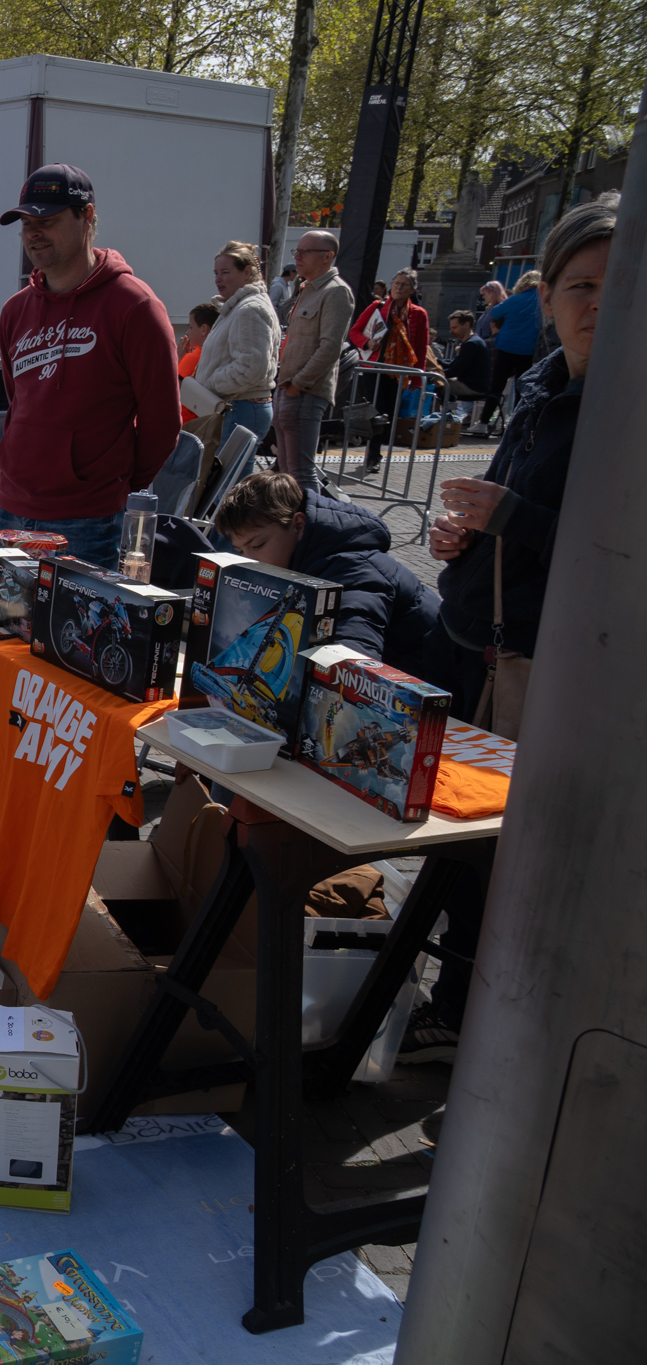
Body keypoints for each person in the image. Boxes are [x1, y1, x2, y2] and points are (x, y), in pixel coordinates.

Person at [413, 194, 614, 1061]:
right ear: (549, 293)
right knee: (456, 848)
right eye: (581, 285)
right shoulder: (542, 383)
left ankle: (475, 1025)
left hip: (543, 665)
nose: (599, 302)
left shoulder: (625, 404)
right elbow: (504, 508)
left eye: (620, 283)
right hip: (476, 640)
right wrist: (459, 536)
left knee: (505, 860)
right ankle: (448, 1007)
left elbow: (614, 553)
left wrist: (511, 519)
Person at [0, 164, 179, 568]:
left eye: (47, 221)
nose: (33, 233)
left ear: (87, 216)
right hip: (11, 507)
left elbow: (163, 422)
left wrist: (109, 483)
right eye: (26, 224)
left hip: (87, 520)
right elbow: (18, 400)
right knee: (4, 610)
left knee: (71, 614)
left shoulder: (136, 307)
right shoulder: (15, 310)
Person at [213, 471, 439, 674]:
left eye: (258, 545)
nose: (250, 560)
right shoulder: (294, 563)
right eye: (240, 551)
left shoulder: (353, 569)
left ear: (298, 525)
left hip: (433, 678)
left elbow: (353, 659)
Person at [270, 229, 354, 487]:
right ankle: (294, 513)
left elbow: (330, 348)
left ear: (328, 256)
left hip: (304, 393)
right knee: (287, 471)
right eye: (297, 251)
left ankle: (309, 513)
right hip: (289, 389)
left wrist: (298, 385)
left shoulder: (336, 292)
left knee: (301, 474)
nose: (297, 257)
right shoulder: (308, 288)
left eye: (305, 252)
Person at [195, 240, 281, 453]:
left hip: (241, 407)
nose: (218, 279)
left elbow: (252, 366)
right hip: (240, 406)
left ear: (247, 272)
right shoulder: (240, 306)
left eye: (225, 272)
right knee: (227, 473)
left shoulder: (250, 309)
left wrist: (211, 382)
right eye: (216, 273)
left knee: (230, 474)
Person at [348, 267, 430, 472]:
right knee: (376, 411)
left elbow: (421, 347)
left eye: (404, 285)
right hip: (374, 367)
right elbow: (354, 332)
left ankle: (377, 452)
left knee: (390, 414)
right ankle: (373, 455)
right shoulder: (378, 307)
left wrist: (417, 378)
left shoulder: (418, 314)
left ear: (412, 289)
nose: (399, 288)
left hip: (399, 371)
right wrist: (367, 343)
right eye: (396, 283)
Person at [479, 271, 542, 431]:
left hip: (507, 346)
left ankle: (483, 422)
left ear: (523, 283)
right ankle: (516, 425)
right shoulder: (542, 301)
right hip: (528, 349)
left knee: (497, 385)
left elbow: (495, 312)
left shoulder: (515, 299)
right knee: (522, 388)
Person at [440, 309, 493, 431]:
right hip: (472, 384)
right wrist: (436, 362)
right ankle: (444, 419)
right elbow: (453, 365)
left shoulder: (471, 344)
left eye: (455, 328)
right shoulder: (472, 342)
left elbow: (455, 371)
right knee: (435, 381)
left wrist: (435, 374)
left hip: (473, 387)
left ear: (466, 325)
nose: (451, 331)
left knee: (433, 385)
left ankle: (443, 421)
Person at [177, 301, 218, 424]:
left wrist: (179, 359)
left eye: (190, 327)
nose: (187, 333)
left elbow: (172, 387)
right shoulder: (217, 354)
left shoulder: (195, 356)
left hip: (186, 423)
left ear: (204, 329)